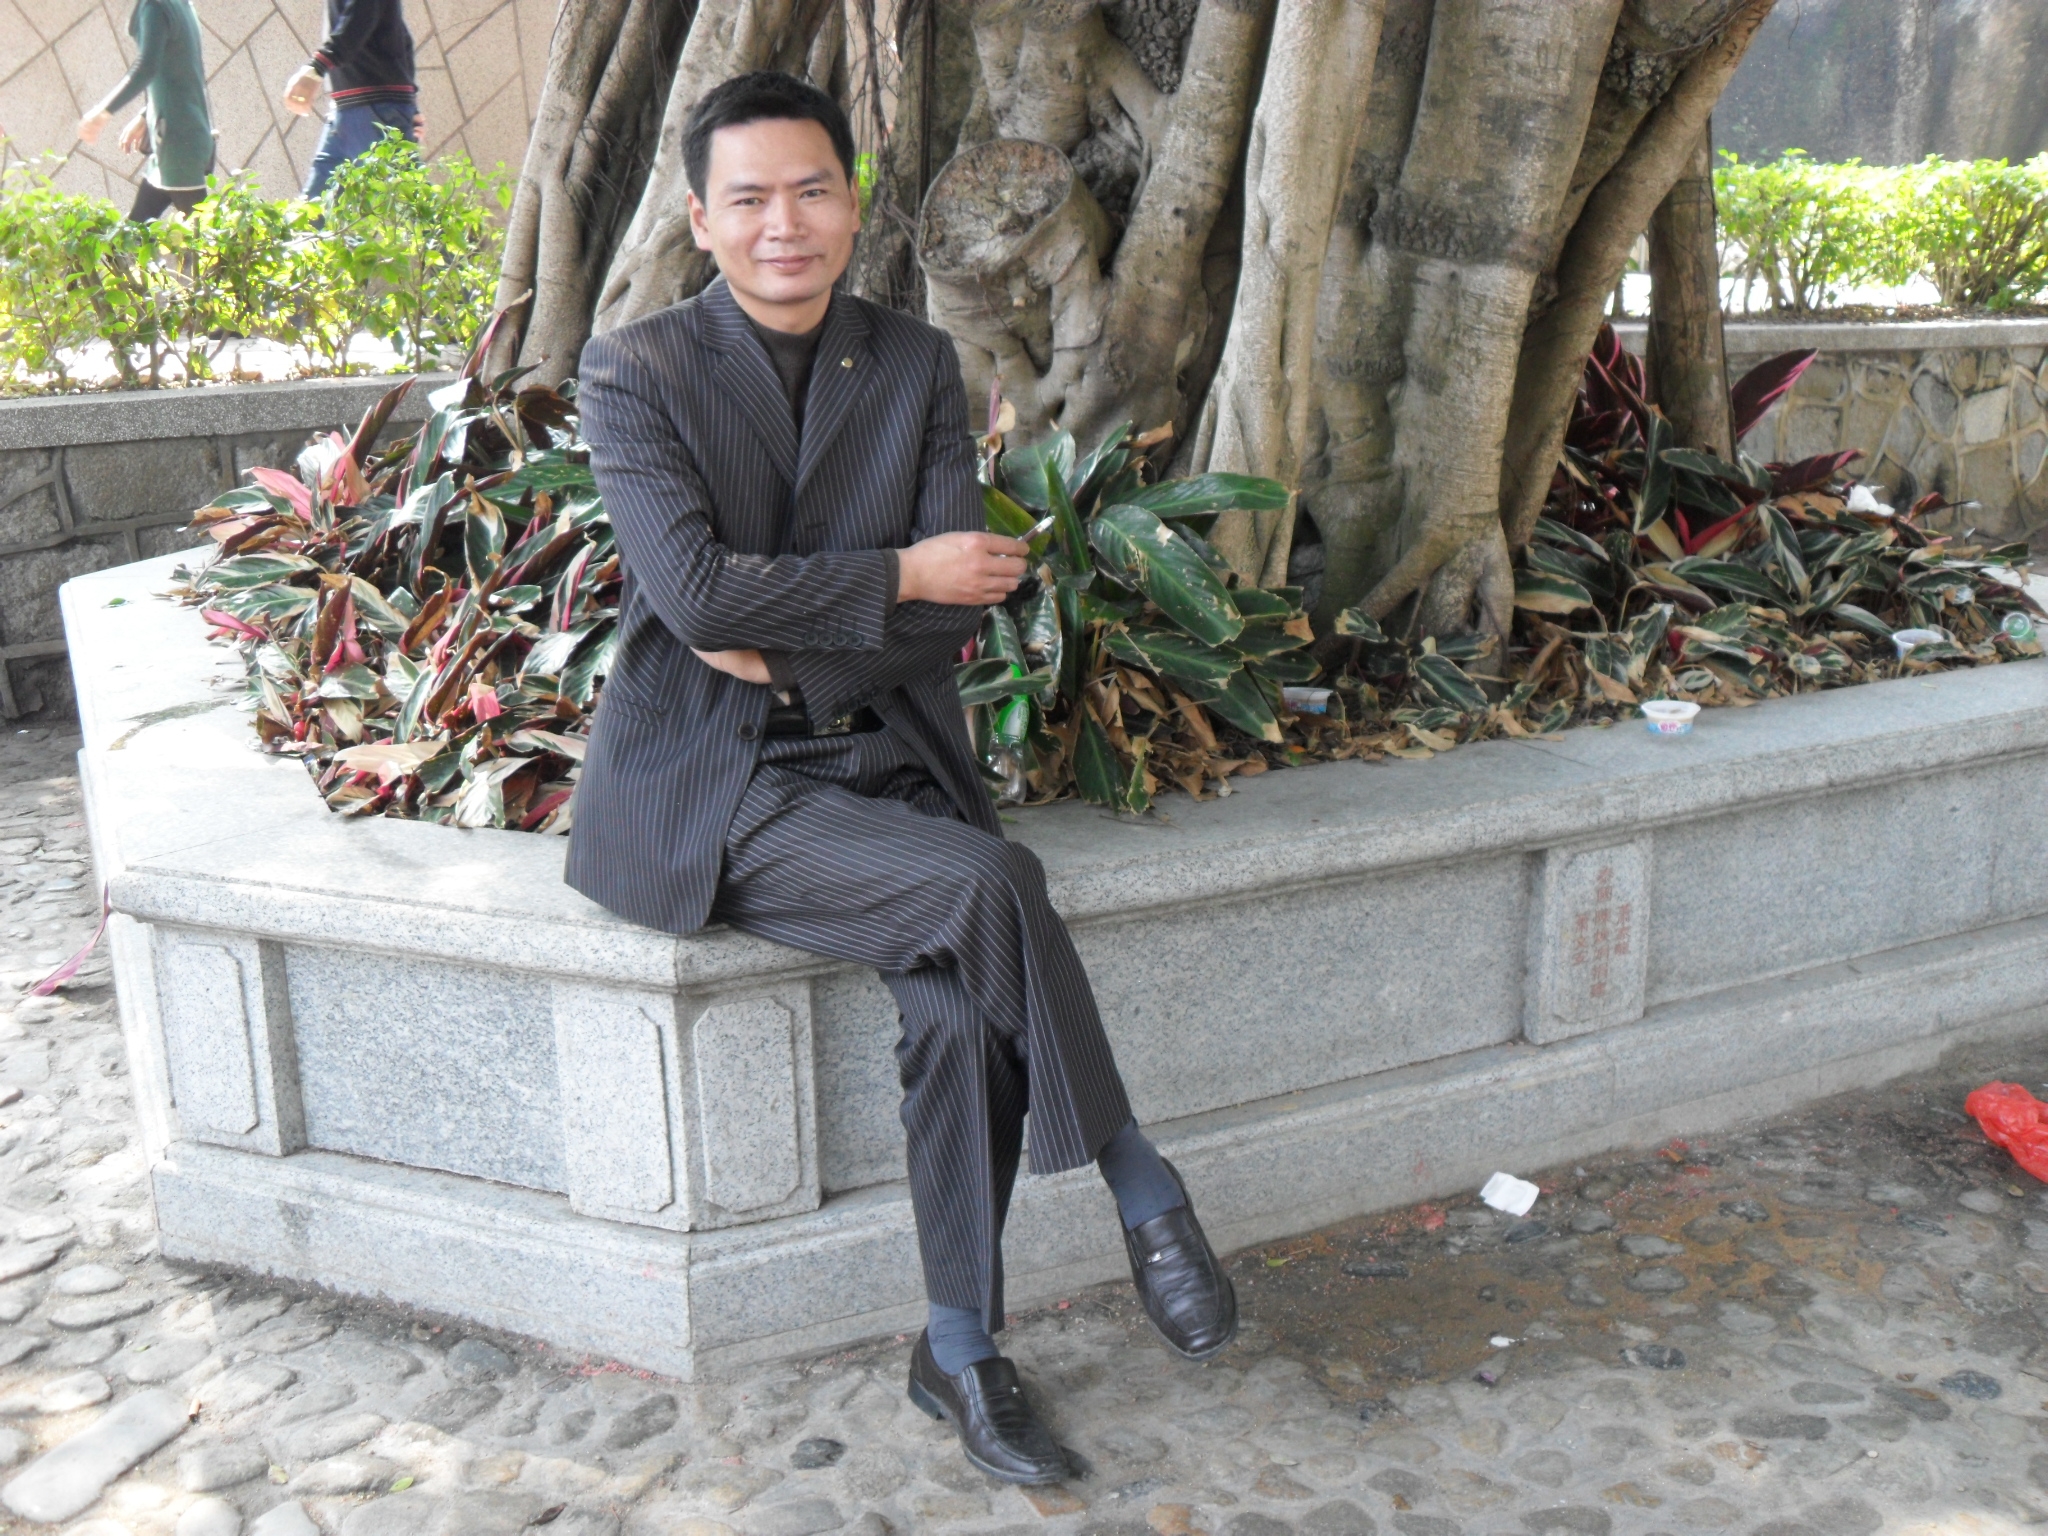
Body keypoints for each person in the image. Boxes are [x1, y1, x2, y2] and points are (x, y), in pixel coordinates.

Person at [571, 71, 1237, 1486]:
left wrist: (796, 643)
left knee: (957, 1010)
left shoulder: (915, 361)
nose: (784, 224)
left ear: (852, 200)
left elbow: (959, 606)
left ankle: (959, 1350)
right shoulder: (637, 371)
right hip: (722, 784)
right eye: (749, 198)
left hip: (883, 755)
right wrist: (892, 574)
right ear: (700, 217)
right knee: (990, 881)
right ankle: (1139, 1181)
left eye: (812, 190)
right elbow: (694, 595)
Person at [75, 0, 214, 222]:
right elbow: (179, 73)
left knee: (205, 237)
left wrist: (102, 113)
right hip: (178, 140)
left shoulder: (156, 7)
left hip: (178, 143)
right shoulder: (179, 4)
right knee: (134, 229)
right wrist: (145, 116)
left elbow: (147, 67)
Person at [280, 0, 420, 197]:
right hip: (354, 108)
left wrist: (317, 67)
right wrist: (411, 104)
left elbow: (361, 16)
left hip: (372, 105)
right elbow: (401, 36)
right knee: (314, 206)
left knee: (408, 203)